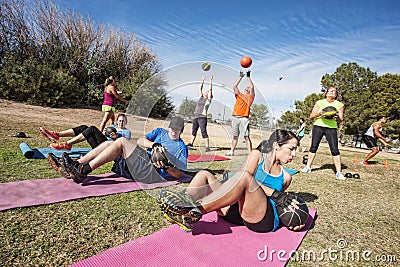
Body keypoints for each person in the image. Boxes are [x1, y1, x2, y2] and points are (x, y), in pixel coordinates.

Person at [159, 129, 306, 232]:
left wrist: (292, 219)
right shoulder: (257, 155)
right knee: (204, 174)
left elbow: (278, 204)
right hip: (236, 212)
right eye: (291, 148)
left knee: (244, 177)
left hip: (261, 218)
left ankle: (192, 213)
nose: (293, 154)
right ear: (276, 145)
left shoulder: (286, 177)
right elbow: (241, 181)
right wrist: (275, 193)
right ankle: (183, 204)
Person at [48, 116, 190, 184]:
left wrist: (167, 166)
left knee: (121, 141)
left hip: (151, 172)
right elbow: (141, 140)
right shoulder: (160, 132)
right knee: (111, 143)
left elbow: (180, 174)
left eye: (177, 129)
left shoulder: (181, 148)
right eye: (172, 128)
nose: (173, 131)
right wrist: (153, 145)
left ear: (181, 131)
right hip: (140, 162)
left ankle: (83, 170)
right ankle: (76, 165)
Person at [300, 86, 345, 180]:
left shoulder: (339, 104)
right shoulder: (319, 102)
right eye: (330, 91)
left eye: (334, 92)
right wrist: (320, 113)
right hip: (318, 126)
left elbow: (341, 120)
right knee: (313, 147)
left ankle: (339, 172)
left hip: (331, 128)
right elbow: (312, 116)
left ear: (336, 95)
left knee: (335, 149)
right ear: (326, 93)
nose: (332, 92)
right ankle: (308, 167)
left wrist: (336, 117)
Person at [39, 114, 131, 150]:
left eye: (123, 121)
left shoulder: (126, 132)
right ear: (117, 121)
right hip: (99, 144)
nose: (121, 122)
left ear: (126, 123)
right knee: (84, 127)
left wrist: (116, 137)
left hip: (107, 149)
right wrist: (103, 132)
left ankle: (67, 144)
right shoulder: (112, 127)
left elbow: (124, 144)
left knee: (92, 129)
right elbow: (102, 134)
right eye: (119, 120)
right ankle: (56, 135)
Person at [226, 70, 255, 156]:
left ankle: (250, 154)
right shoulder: (239, 95)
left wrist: (248, 77)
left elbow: (252, 87)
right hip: (235, 117)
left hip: (244, 118)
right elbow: (234, 86)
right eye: (247, 87)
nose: (248, 87)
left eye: (248, 87)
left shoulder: (250, 97)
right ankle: (232, 151)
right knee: (235, 136)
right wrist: (241, 76)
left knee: (246, 136)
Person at [187, 75, 213, 152]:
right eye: (206, 91)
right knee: (194, 131)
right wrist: (202, 80)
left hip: (202, 117)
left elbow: (211, 89)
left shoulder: (208, 100)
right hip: (196, 116)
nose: (206, 92)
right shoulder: (201, 97)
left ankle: (207, 147)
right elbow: (200, 88)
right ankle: (191, 143)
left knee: (203, 132)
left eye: (207, 92)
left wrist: (210, 80)